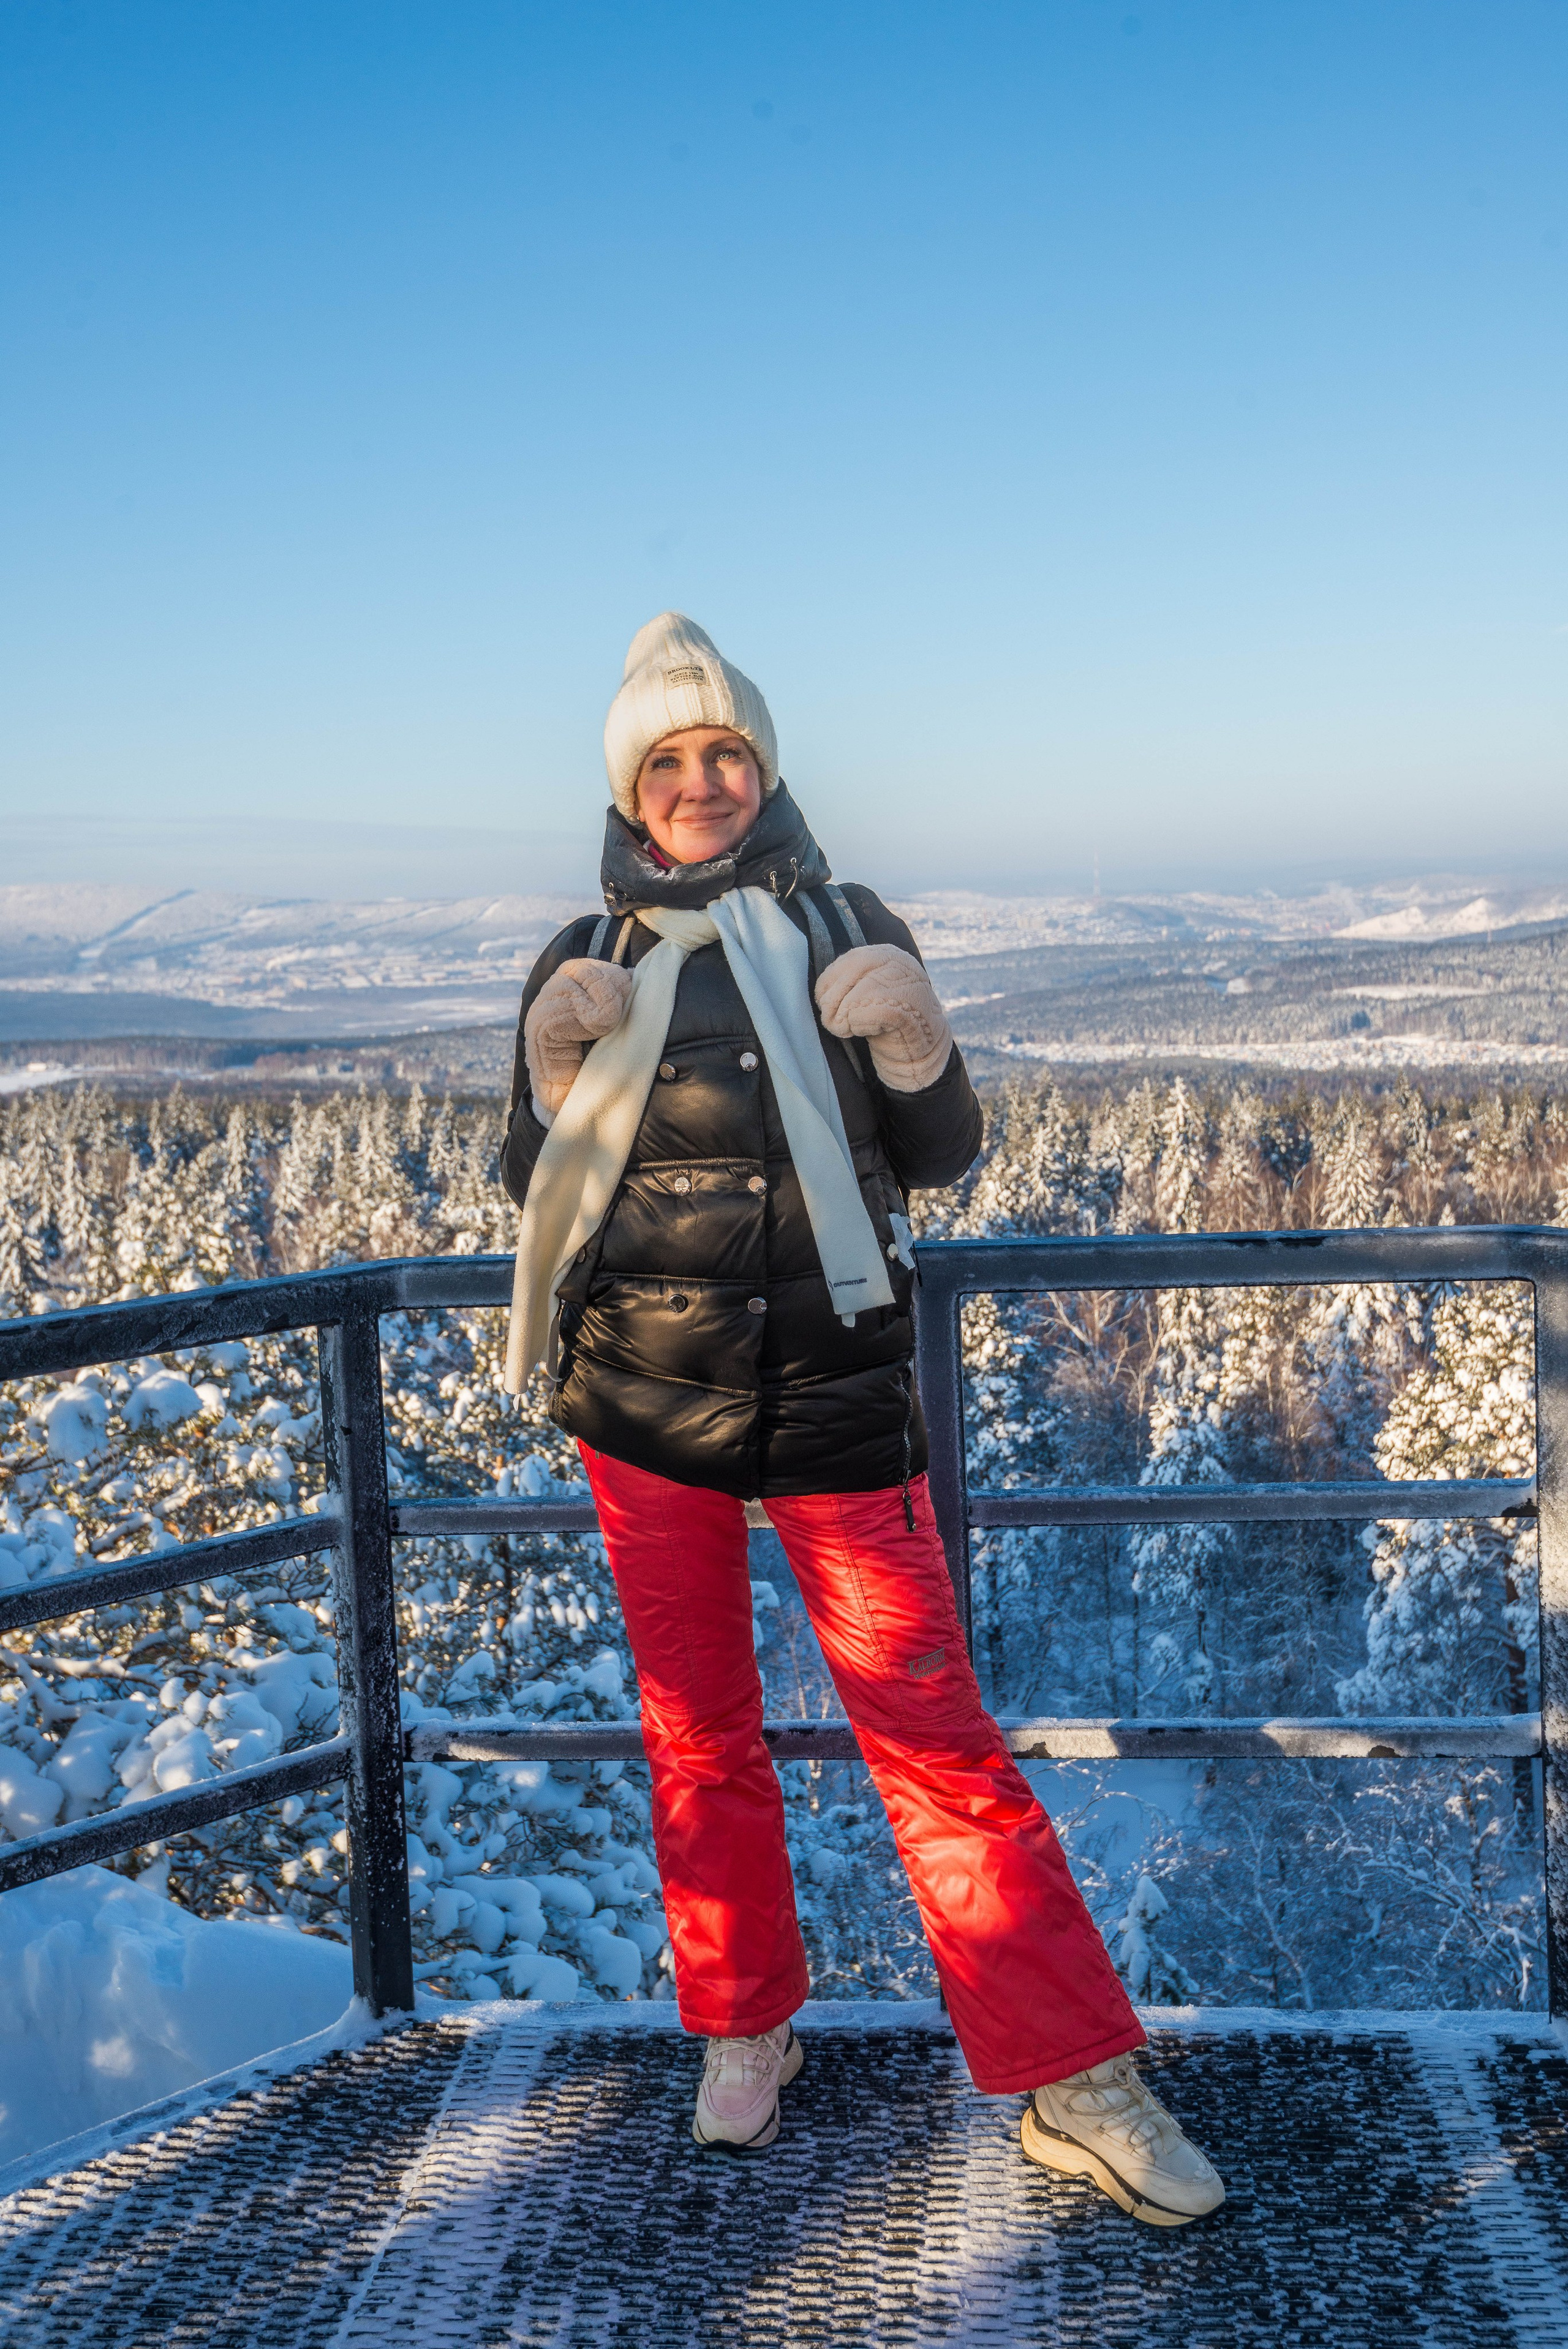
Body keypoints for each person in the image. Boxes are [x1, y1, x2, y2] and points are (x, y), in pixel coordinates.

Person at [499, 613, 1224, 2227]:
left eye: (726, 752)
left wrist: (912, 1034)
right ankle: (743, 2022)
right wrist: (552, 1072)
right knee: (700, 1737)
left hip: (838, 1399)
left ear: (766, 768)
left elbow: (943, 1145)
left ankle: (1072, 2075)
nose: (702, 782)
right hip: (641, 1404)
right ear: (631, 787)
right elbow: (532, 1180)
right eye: (669, 760)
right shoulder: (592, 953)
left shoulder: (847, 919)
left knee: (935, 1740)